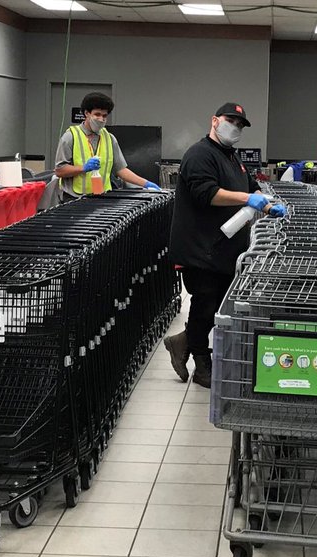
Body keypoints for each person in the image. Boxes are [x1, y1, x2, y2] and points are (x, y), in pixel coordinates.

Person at [165, 103, 286, 387]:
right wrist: (247, 199)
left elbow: (249, 185)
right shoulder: (199, 154)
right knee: (205, 303)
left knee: (218, 304)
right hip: (200, 247)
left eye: (240, 124)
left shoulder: (232, 157)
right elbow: (206, 193)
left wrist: (267, 204)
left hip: (224, 248)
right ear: (215, 120)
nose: (236, 127)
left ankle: (182, 341)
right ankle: (201, 364)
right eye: (231, 121)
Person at [54, 92, 159, 200]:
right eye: (97, 114)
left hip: (102, 198)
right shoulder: (70, 137)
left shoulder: (110, 138)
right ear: (86, 113)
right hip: (75, 199)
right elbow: (59, 171)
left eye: (104, 116)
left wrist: (145, 183)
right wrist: (83, 168)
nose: (101, 119)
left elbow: (121, 170)